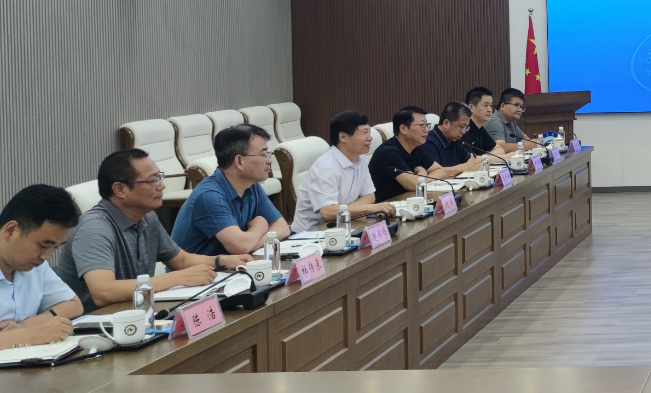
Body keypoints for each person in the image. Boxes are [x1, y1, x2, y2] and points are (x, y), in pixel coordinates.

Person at [56, 150, 251, 312]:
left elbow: (181, 260)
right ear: (120, 189)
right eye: (153, 181)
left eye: (160, 177)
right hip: (96, 326)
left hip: (136, 312)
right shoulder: (94, 228)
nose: (162, 186)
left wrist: (221, 261)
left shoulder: (147, 217)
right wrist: (178, 278)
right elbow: (103, 292)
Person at [171, 124, 291, 256]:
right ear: (239, 161)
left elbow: (282, 227)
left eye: (268, 154)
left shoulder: (252, 186)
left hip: (229, 265)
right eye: (264, 155)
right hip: (196, 268)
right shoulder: (209, 195)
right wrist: (259, 226)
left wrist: (253, 243)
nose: (270, 161)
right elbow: (240, 247)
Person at [0, 185, 83, 350]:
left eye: (55, 248)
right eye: (43, 245)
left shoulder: (34, 265)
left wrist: (24, 327)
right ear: (11, 230)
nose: (46, 256)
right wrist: (28, 335)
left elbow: (73, 304)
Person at [292, 111, 397, 232]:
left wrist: (346, 211)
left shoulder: (360, 157)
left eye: (369, 131)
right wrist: (370, 208)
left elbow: (369, 196)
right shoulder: (326, 168)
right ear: (343, 137)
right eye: (364, 132)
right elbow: (327, 212)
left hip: (344, 224)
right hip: (311, 233)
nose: (370, 137)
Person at [370, 106, 451, 202]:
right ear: (403, 129)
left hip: (409, 202)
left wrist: (422, 179)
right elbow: (414, 185)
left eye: (427, 125)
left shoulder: (416, 149)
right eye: (422, 125)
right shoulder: (388, 153)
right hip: (387, 206)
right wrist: (422, 175)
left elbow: (441, 171)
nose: (426, 130)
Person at [425, 101, 483, 174]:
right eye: (462, 126)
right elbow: (435, 173)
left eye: (466, 128)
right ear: (446, 123)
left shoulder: (455, 140)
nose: (463, 132)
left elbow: (472, 160)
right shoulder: (429, 142)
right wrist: (465, 167)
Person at [486, 88, 536, 153]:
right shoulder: (494, 121)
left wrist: (527, 144)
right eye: (516, 105)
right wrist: (529, 145)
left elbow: (526, 139)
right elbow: (500, 148)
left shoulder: (511, 120)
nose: (520, 110)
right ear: (503, 106)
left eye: (521, 107)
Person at [461, 87, 501, 157]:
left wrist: (484, 157)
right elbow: (470, 160)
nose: (489, 110)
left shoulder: (480, 128)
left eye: (491, 106)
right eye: (486, 105)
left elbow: (500, 150)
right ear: (471, 107)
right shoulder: (463, 130)